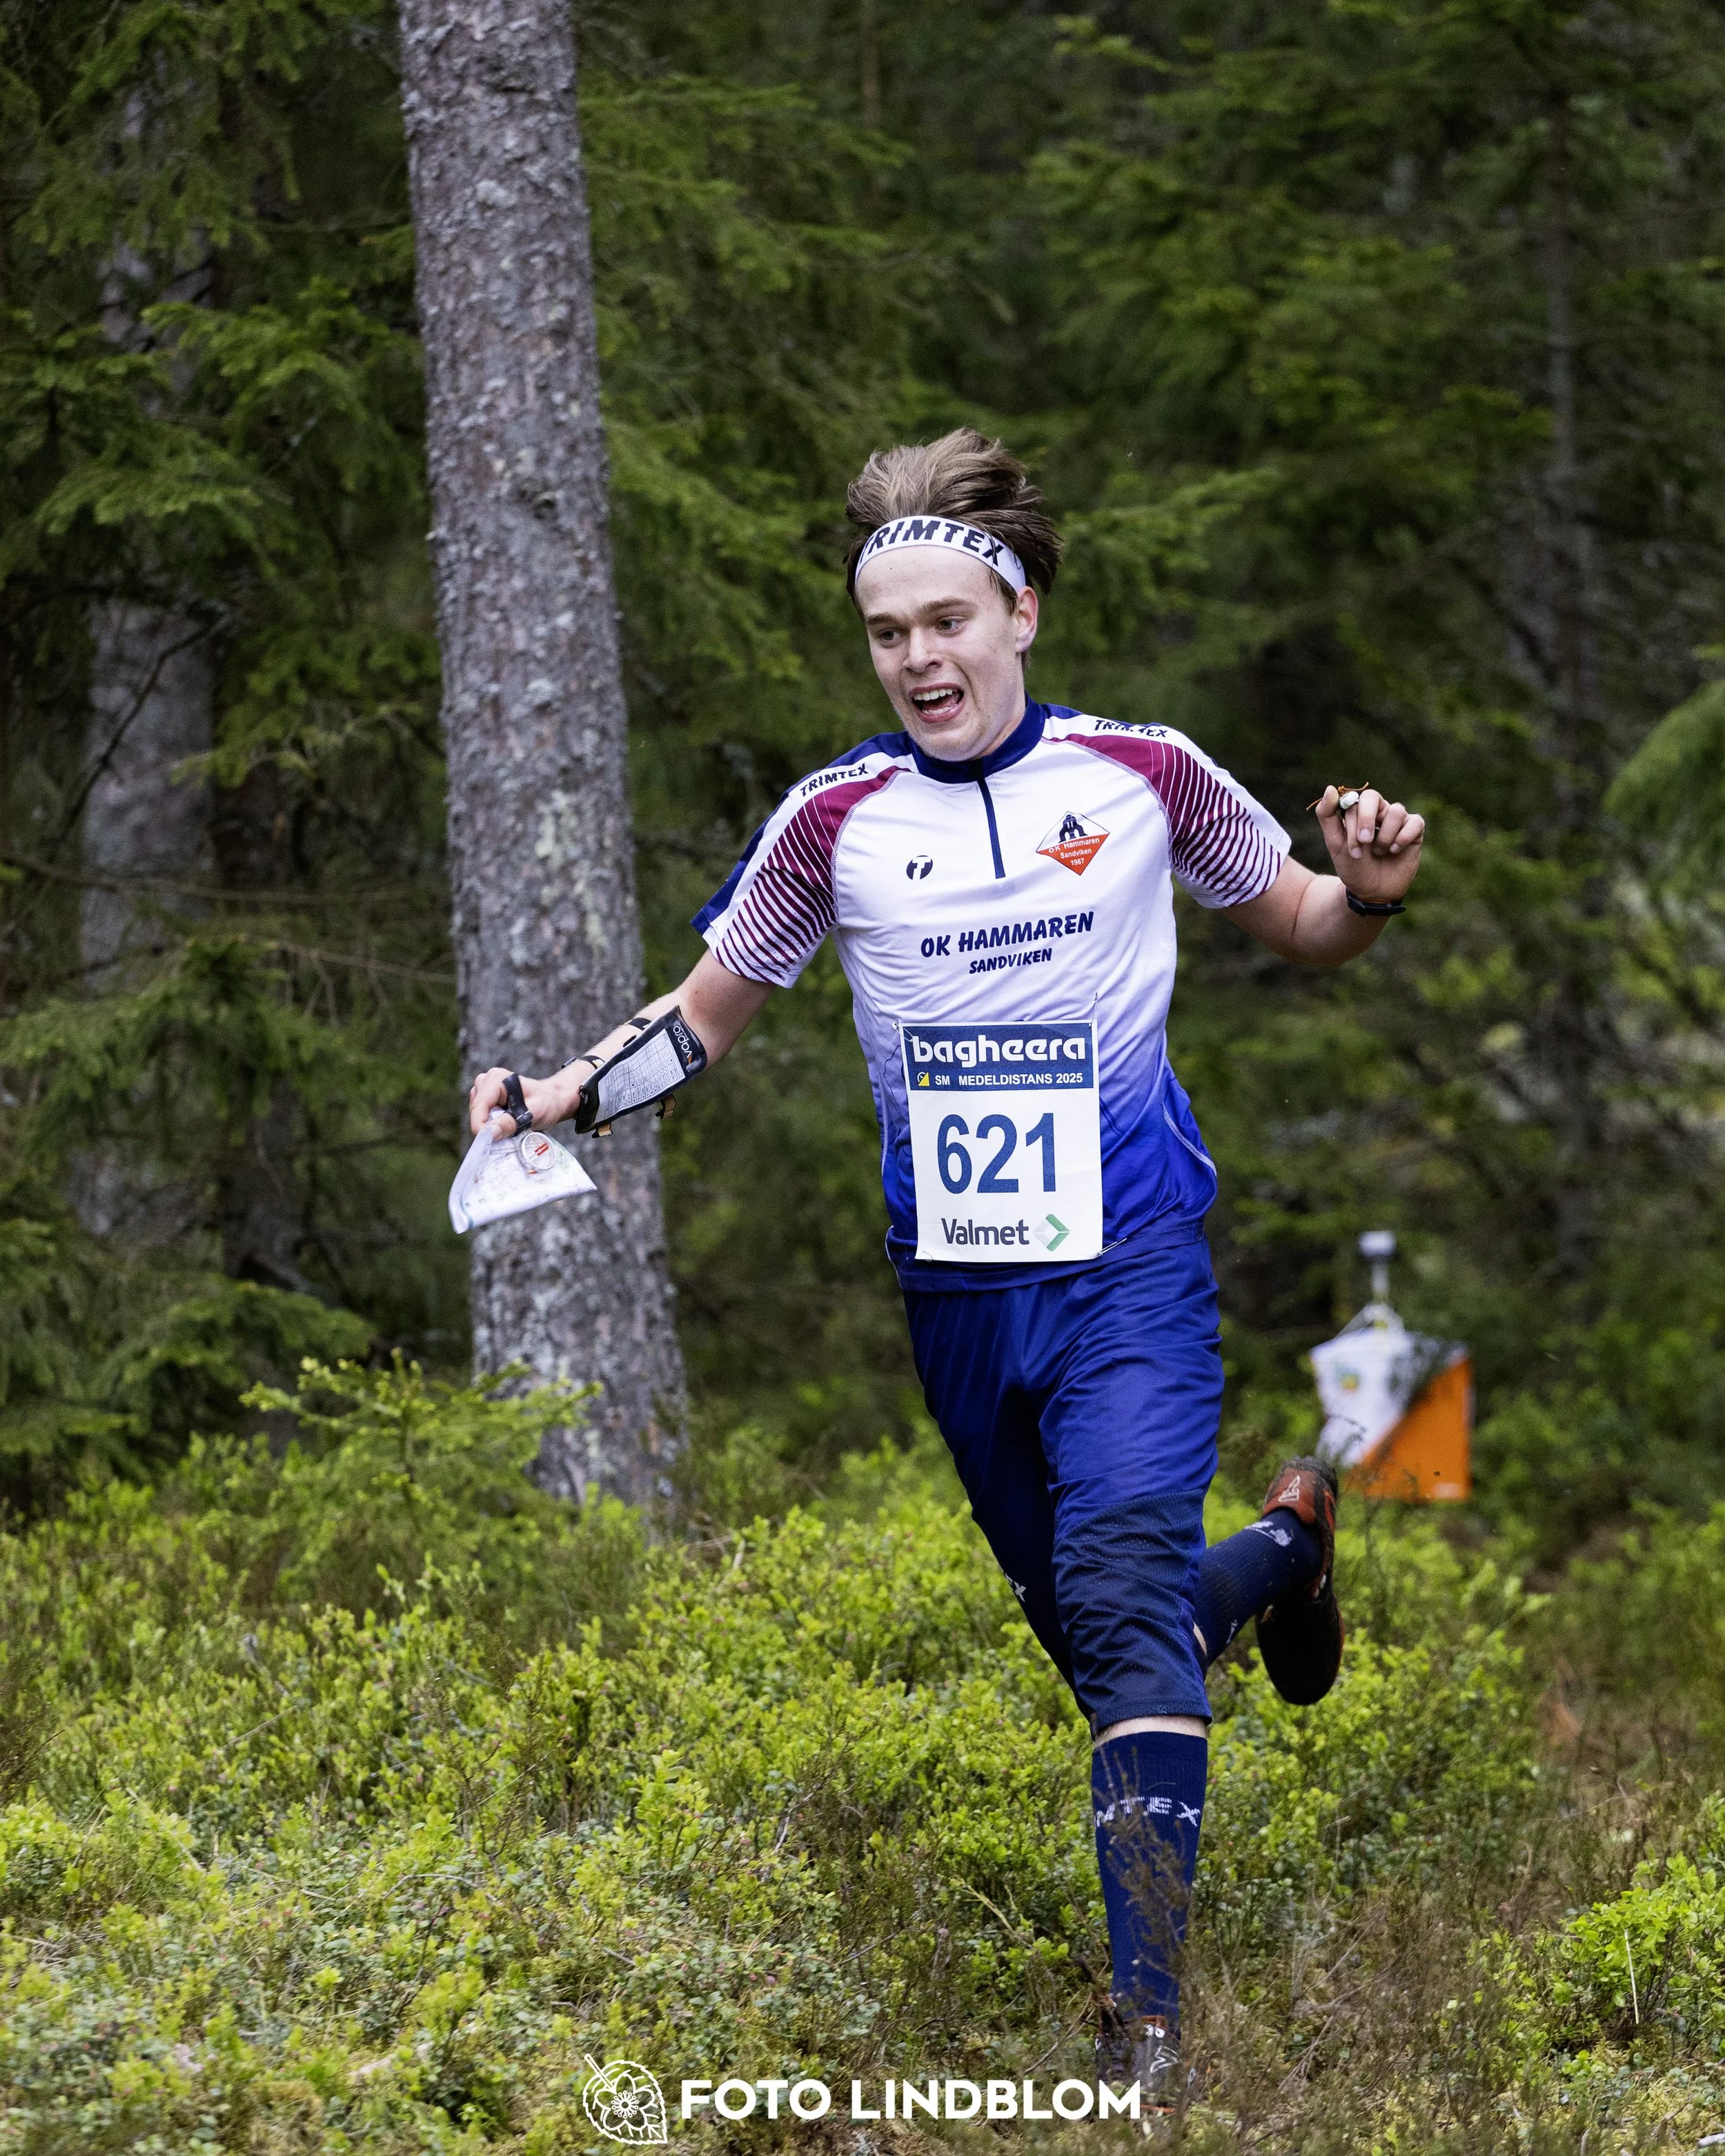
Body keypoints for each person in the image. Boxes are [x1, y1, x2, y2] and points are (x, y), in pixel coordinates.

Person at [469, 428, 1426, 2104]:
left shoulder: (1140, 773)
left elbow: (1298, 919)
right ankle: (1282, 1548)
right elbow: (699, 1023)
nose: (919, 656)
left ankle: (1143, 2044)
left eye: (947, 621)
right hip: (958, 1294)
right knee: (1105, 1642)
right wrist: (554, 1098)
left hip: (1128, 1264)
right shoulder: (834, 816)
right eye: (886, 631)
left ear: (1021, 612)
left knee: (1123, 1614)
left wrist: (1368, 893)